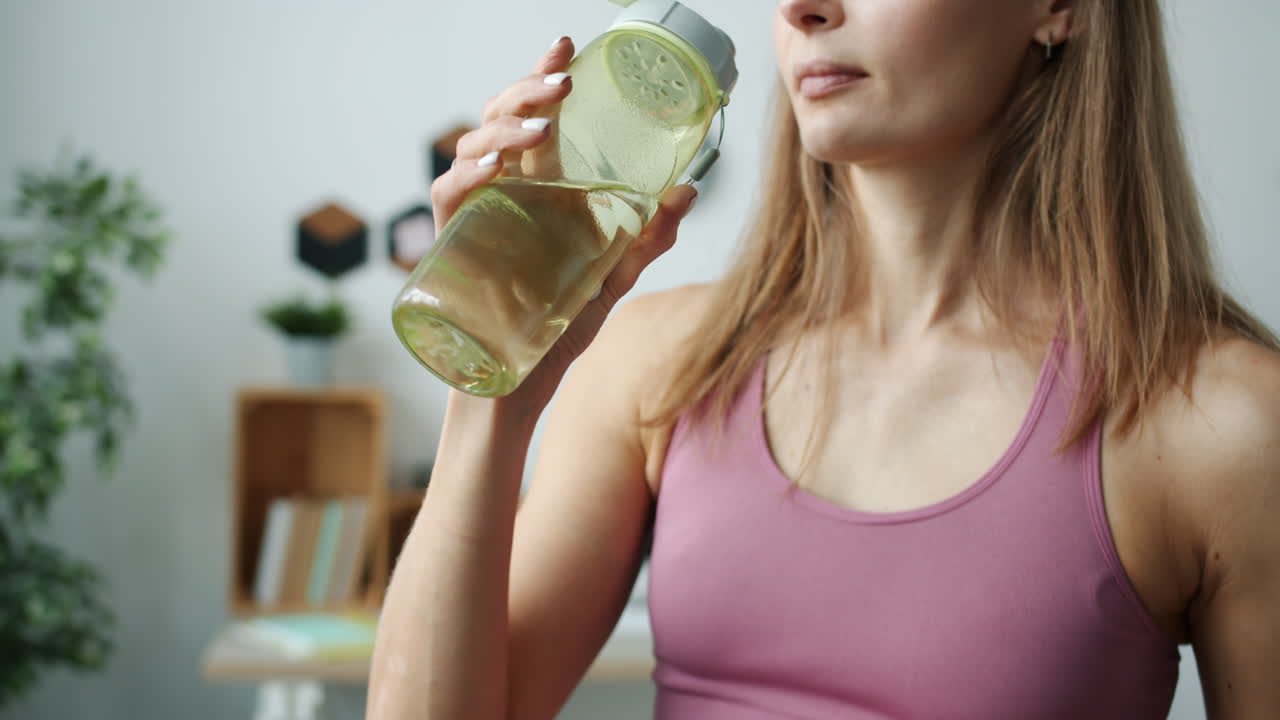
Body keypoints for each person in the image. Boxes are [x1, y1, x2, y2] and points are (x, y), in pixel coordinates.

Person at [368, 1, 1280, 718]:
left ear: (1060, 6)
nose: (803, 7)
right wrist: (494, 368)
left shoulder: (1223, 425)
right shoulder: (659, 364)